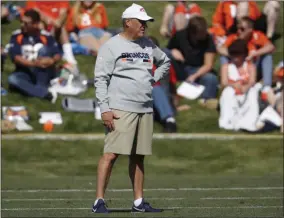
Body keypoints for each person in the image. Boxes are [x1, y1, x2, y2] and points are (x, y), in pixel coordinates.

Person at [93, 3, 170, 213]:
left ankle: (138, 202)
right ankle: (98, 201)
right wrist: (105, 108)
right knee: (111, 154)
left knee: (138, 156)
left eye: (146, 22)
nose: (145, 25)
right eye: (141, 22)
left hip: (145, 108)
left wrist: (153, 78)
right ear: (128, 22)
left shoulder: (148, 45)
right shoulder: (111, 45)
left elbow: (165, 62)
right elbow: (100, 79)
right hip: (120, 108)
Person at [164, 16, 218, 108]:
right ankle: (166, 90)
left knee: (211, 78)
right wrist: (172, 51)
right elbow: (166, 50)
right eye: (202, 33)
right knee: (165, 53)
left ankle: (206, 100)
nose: (205, 34)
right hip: (181, 67)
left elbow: (208, 65)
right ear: (192, 33)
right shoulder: (180, 35)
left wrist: (194, 76)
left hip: (198, 70)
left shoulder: (208, 39)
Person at [7, 9, 60, 103]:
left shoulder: (46, 36)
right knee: (12, 79)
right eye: (22, 22)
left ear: (36, 24)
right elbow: (16, 58)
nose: (22, 25)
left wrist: (52, 60)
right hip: (25, 71)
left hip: (44, 70)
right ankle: (43, 93)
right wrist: (33, 64)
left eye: (26, 23)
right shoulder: (17, 36)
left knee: (44, 49)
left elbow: (57, 54)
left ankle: (38, 86)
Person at [218, 17, 275, 93]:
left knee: (267, 56)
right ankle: (226, 81)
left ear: (250, 30)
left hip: (253, 66)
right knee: (223, 57)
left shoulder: (257, 36)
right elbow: (220, 49)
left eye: (242, 29)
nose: (239, 31)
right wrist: (234, 55)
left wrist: (255, 53)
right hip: (237, 66)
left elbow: (270, 47)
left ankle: (266, 86)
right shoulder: (234, 37)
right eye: (238, 29)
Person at [218, 39, 259, 131]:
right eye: (233, 55)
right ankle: (228, 121)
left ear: (244, 55)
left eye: (238, 55)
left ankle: (248, 122)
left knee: (253, 91)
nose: (235, 58)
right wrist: (234, 85)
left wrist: (246, 86)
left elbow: (252, 81)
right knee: (227, 91)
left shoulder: (250, 66)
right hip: (233, 92)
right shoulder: (226, 66)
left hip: (245, 92)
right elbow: (224, 82)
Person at [25, 1, 78, 70]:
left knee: (61, 28)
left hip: (55, 28)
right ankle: (41, 51)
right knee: (40, 25)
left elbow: (63, 13)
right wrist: (50, 20)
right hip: (42, 25)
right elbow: (35, 12)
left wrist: (57, 23)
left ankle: (68, 55)